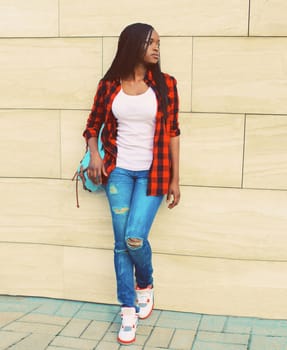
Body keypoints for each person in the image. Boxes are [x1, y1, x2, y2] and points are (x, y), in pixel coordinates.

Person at [83, 22, 180, 345]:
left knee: (135, 237)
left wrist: (175, 179)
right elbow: (92, 125)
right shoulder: (109, 84)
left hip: (154, 173)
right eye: (151, 42)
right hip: (119, 172)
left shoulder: (166, 84)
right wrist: (94, 155)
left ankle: (146, 283)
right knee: (120, 242)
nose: (156, 48)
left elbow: (173, 133)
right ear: (133, 45)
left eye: (158, 44)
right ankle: (127, 309)